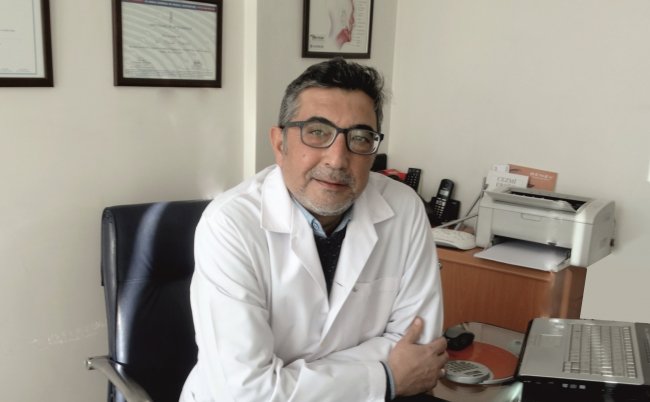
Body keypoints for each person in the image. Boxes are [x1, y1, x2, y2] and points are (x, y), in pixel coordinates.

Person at [180, 58, 448, 402]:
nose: (337, 159)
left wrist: (288, 380)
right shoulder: (230, 224)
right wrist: (385, 376)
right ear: (280, 144)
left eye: (360, 138)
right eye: (317, 132)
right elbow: (245, 392)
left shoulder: (404, 208)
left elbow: (420, 347)